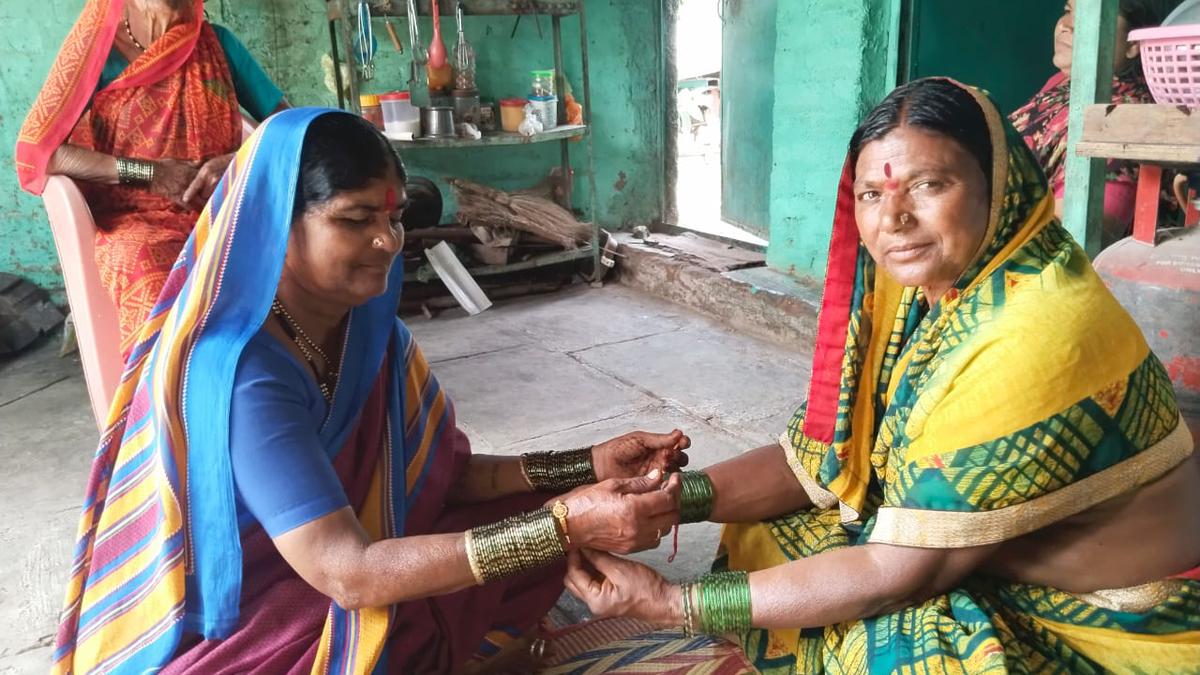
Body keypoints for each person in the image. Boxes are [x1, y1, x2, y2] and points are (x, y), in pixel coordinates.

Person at [565, 78, 1200, 673]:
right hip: (969, 548)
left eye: (928, 185)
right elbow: (815, 462)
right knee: (763, 535)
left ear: (997, 188)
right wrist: (668, 499)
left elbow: (900, 574)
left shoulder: (1040, 328)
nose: (893, 220)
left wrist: (671, 602)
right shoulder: (923, 290)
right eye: (873, 193)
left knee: (891, 651)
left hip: (1117, 604)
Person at [50, 110, 689, 675]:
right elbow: (345, 573)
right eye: (356, 219)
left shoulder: (368, 329)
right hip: (266, 610)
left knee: (549, 519)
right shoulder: (242, 371)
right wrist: (559, 523)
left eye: (394, 216)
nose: (387, 241)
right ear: (277, 223)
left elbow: (448, 475)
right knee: (438, 589)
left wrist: (587, 468)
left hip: (349, 557)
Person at [16, 0, 289, 358]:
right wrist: (149, 174)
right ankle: (165, 400)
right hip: (133, 218)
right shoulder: (98, 52)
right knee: (154, 272)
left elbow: (285, 125)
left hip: (225, 206)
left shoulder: (217, 44)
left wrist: (234, 162)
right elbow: (42, 152)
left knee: (302, 252)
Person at [1009, 0, 1184, 244]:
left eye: (1088, 17)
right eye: (1068, 11)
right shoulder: (1062, 84)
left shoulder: (1127, 118)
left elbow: (1079, 236)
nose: (1066, 26)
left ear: (1133, 44)